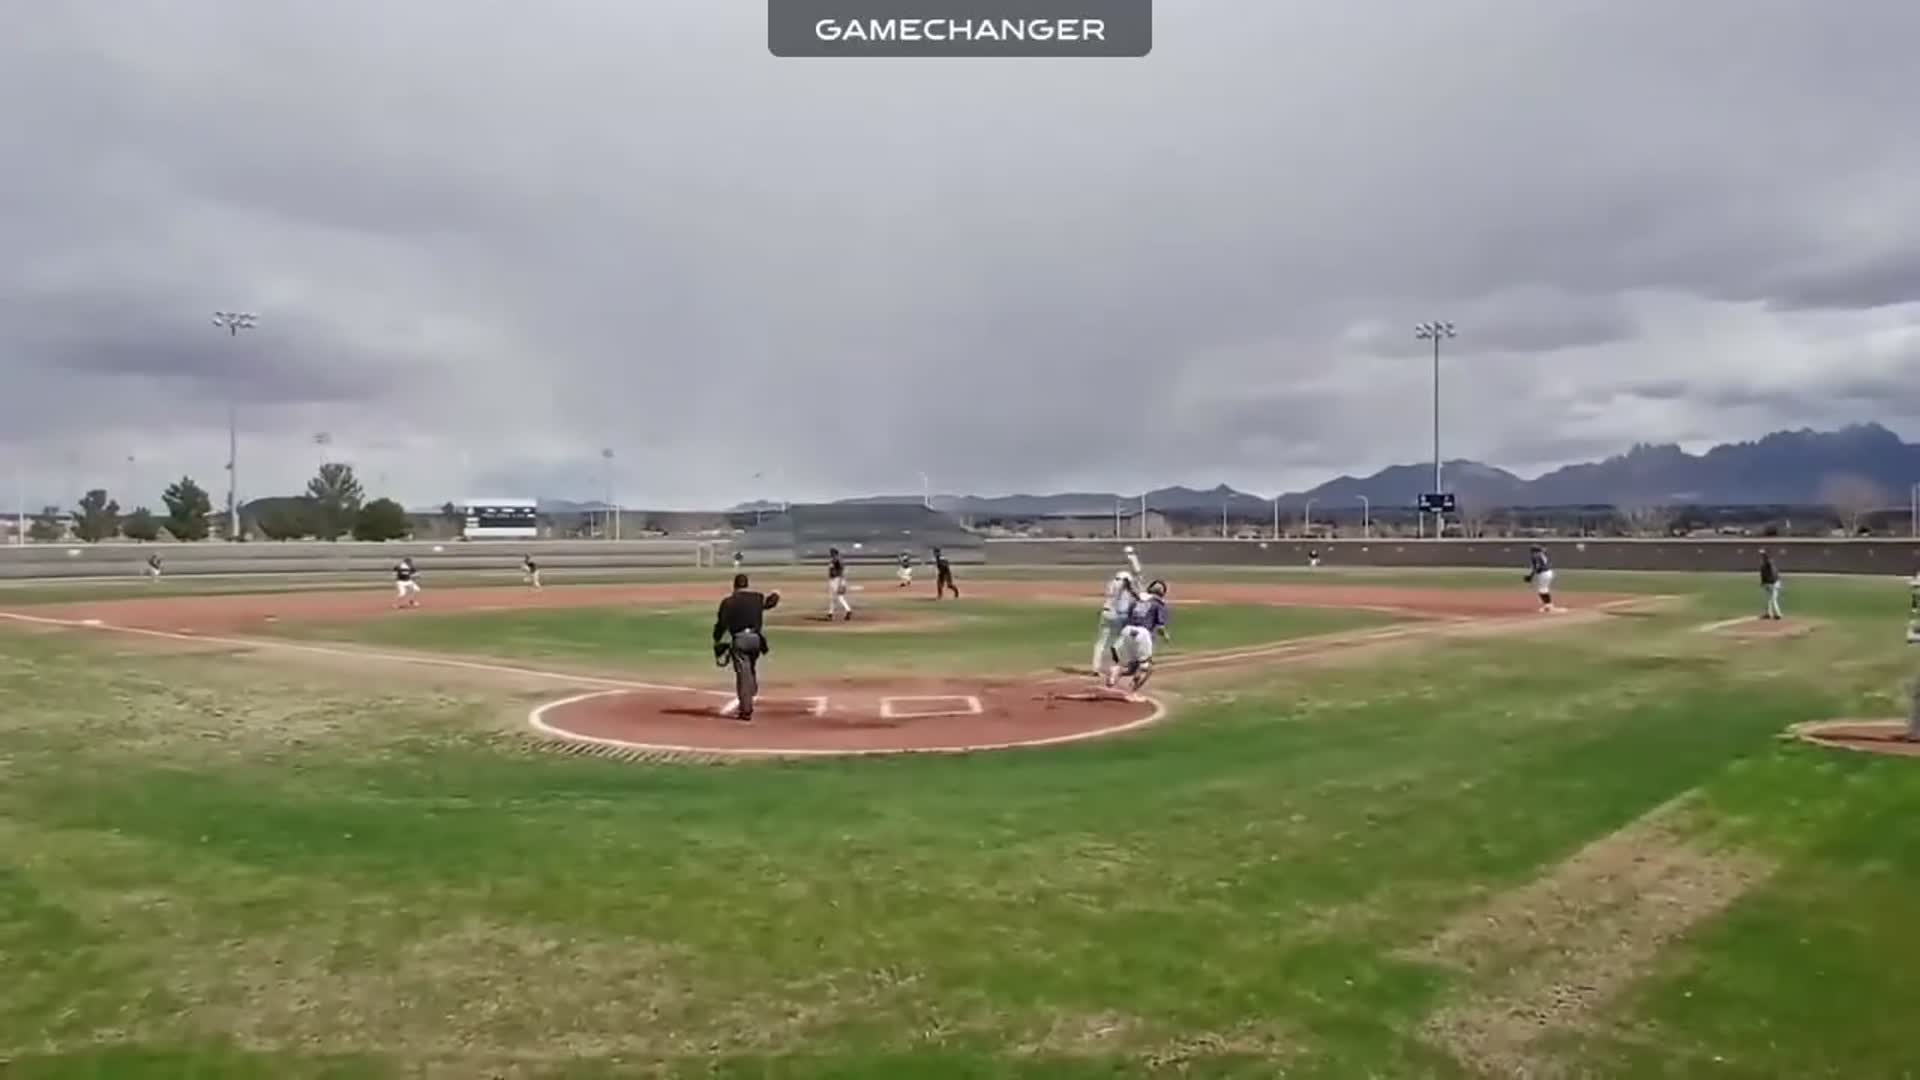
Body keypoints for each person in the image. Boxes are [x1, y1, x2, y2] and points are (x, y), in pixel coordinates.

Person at [713, 575, 776, 723]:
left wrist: (717, 641)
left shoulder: (728, 602)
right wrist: (776, 595)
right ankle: (752, 689)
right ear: (747, 585)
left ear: (734, 586)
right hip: (756, 640)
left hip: (740, 640)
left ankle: (746, 710)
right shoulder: (757, 598)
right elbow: (769, 603)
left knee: (743, 675)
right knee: (750, 667)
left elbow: (721, 625)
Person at [1107, 578, 1171, 700]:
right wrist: (1166, 636)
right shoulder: (1158, 604)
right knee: (1147, 668)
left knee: (1133, 667)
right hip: (1142, 633)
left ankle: (1116, 671)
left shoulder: (1138, 600)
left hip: (1128, 631)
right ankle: (1132, 693)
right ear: (1162, 593)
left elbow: (1129, 616)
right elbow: (1160, 627)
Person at [1092, 568, 1139, 677]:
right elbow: (1129, 590)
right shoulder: (1123, 586)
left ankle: (1095, 668)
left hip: (1106, 613)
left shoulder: (1111, 584)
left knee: (1100, 642)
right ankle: (1123, 658)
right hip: (1118, 615)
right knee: (1125, 637)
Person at [1523, 544, 1557, 613]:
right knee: (1544, 589)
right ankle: (1549, 605)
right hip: (1549, 572)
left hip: (1544, 574)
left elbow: (1538, 567)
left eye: (1532, 550)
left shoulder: (1535, 556)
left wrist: (1530, 576)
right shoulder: (1542, 554)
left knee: (1542, 590)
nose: (1531, 552)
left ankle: (1548, 606)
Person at [826, 547, 853, 621]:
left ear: (835, 553)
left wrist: (841, 582)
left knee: (834, 597)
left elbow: (842, 571)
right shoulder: (834, 560)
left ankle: (830, 614)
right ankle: (847, 610)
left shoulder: (837, 560)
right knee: (838, 597)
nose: (831, 554)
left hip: (836, 580)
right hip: (835, 580)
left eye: (832, 553)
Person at [1759, 551, 1782, 620]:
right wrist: (1763, 583)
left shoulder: (1770, 565)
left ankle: (1778, 614)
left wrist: (1764, 554)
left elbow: (1769, 562)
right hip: (1769, 584)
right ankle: (1768, 614)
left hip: (1774, 584)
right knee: (1768, 599)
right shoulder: (1763, 567)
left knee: (1773, 599)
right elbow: (1762, 576)